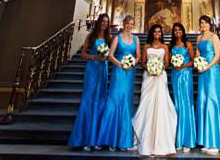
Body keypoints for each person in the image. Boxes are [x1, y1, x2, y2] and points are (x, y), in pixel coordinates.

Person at [95, 14, 139, 151]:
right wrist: (121, 65)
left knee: (126, 102)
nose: (129, 26)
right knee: (113, 101)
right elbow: (110, 55)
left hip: (130, 72)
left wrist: (132, 63)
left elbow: (138, 56)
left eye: (132, 24)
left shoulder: (136, 39)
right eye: (127, 23)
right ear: (124, 23)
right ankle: (107, 139)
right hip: (119, 72)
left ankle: (123, 139)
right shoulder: (117, 38)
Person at [131, 24, 177, 156]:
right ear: (152, 33)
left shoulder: (165, 47)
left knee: (161, 104)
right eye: (155, 32)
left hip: (160, 77)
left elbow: (167, 63)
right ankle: (143, 137)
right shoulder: (146, 47)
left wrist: (160, 67)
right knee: (146, 104)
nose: (158, 34)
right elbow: (143, 62)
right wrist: (150, 68)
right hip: (149, 77)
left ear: (161, 34)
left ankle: (161, 140)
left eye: (159, 32)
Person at [67, 14, 110, 151]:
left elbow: (112, 54)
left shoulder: (109, 38)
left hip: (103, 69)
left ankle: (97, 139)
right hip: (92, 69)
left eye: (107, 22)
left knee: (101, 100)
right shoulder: (90, 37)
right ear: (99, 22)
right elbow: (83, 54)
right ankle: (85, 138)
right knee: (89, 99)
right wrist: (94, 57)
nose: (104, 24)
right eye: (103, 21)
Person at [196, 15, 220, 154]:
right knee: (203, 101)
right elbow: (198, 54)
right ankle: (207, 140)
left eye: (205, 23)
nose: (203, 25)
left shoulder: (214, 37)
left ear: (210, 24)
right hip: (202, 71)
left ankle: (216, 142)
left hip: (211, 71)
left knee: (212, 100)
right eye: (201, 23)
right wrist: (198, 63)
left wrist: (206, 67)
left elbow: (217, 56)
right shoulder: (199, 38)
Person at [169, 22, 196, 152]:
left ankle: (188, 140)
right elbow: (168, 62)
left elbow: (193, 61)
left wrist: (183, 66)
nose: (177, 32)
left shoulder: (188, 44)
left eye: (179, 30)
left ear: (183, 31)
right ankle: (178, 139)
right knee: (177, 105)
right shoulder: (172, 45)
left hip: (185, 76)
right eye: (175, 30)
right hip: (175, 75)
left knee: (186, 104)